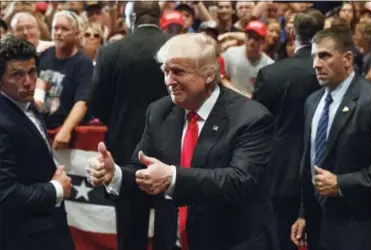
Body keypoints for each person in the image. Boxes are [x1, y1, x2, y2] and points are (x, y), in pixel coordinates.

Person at [88, 33, 279, 250]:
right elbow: (144, 169)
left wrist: (173, 177)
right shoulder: (159, 111)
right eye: (165, 72)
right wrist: (115, 175)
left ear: (208, 75)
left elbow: (238, 180)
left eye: (178, 72)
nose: (169, 81)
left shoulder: (251, 117)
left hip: (232, 241)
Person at [87, 2, 169, 250]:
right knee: (169, 228)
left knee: (130, 233)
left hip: (125, 151)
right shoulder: (179, 47)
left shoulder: (111, 52)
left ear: (131, 17)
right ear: (160, 17)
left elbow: (97, 104)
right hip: (172, 152)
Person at [291, 27, 371, 250]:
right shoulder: (312, 102)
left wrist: (341, 183)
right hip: (318, 225)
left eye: (324, 56)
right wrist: (303, 213)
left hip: (360, 227)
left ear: (348, 59)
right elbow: (308, 164)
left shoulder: (370, 101)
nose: (316, 64)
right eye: (314, 57)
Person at [252, 9, 324, 250]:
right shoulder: (335, 74)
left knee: (280, 240)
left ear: (291, 32)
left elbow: (255, 126)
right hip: (326, 170)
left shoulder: (271, 74)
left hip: (280, 172)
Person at [0, 35, 74, 250]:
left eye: (32, 72)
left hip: (47, 227)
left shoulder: (26, 104)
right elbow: (5, 194)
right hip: (22, 236)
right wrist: (55, 189)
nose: (28, 82)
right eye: (17, 74)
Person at [36, 10, 93, 150]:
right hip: (40, 128)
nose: (58, 32)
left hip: (65, 133)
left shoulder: (83, 63)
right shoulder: (43, 56)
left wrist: (66, 129)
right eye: (56, 28)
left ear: (77, 34)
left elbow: (82, 102)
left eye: (65, 29)